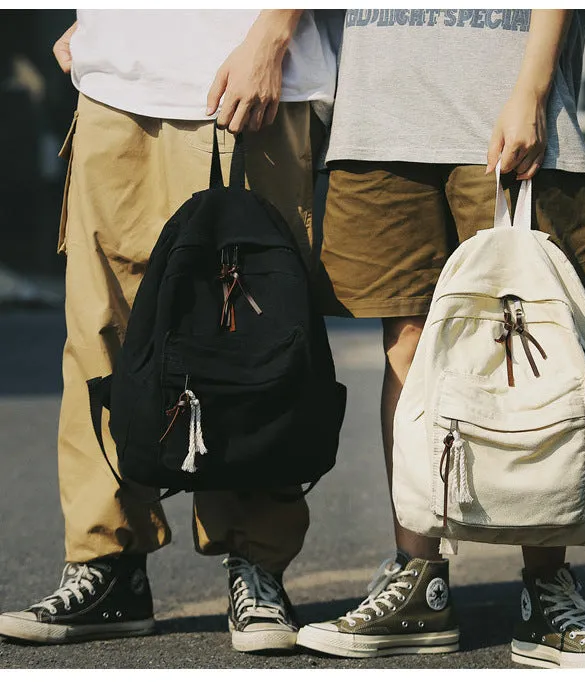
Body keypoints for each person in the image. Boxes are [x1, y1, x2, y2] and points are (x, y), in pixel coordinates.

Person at [297, 9, 585, 669]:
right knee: (408, 350)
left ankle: (548, 591)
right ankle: (417, 580)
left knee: (533, 349)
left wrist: (533, 91)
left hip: (503, 103)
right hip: (376, 117)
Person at [0, 10, 337, 653]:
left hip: (242, 74)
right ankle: (108, 566)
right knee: (100, 332)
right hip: (113, 85)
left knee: (253, 333)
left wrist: (274, 34)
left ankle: (256, 563)